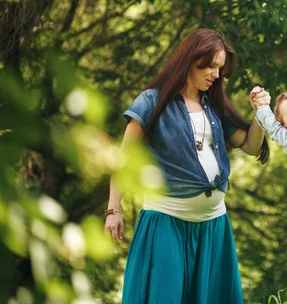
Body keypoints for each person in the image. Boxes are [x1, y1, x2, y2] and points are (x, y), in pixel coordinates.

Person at [104, 28, 270, 304]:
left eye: (219, 68)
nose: (216, 74)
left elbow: (251, 146)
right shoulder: (152, 100)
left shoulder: (215, 104)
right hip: (166, 221)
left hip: (213, 225)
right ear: (190, 60)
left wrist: (261, 114)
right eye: (210, 66)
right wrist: (113, 209)